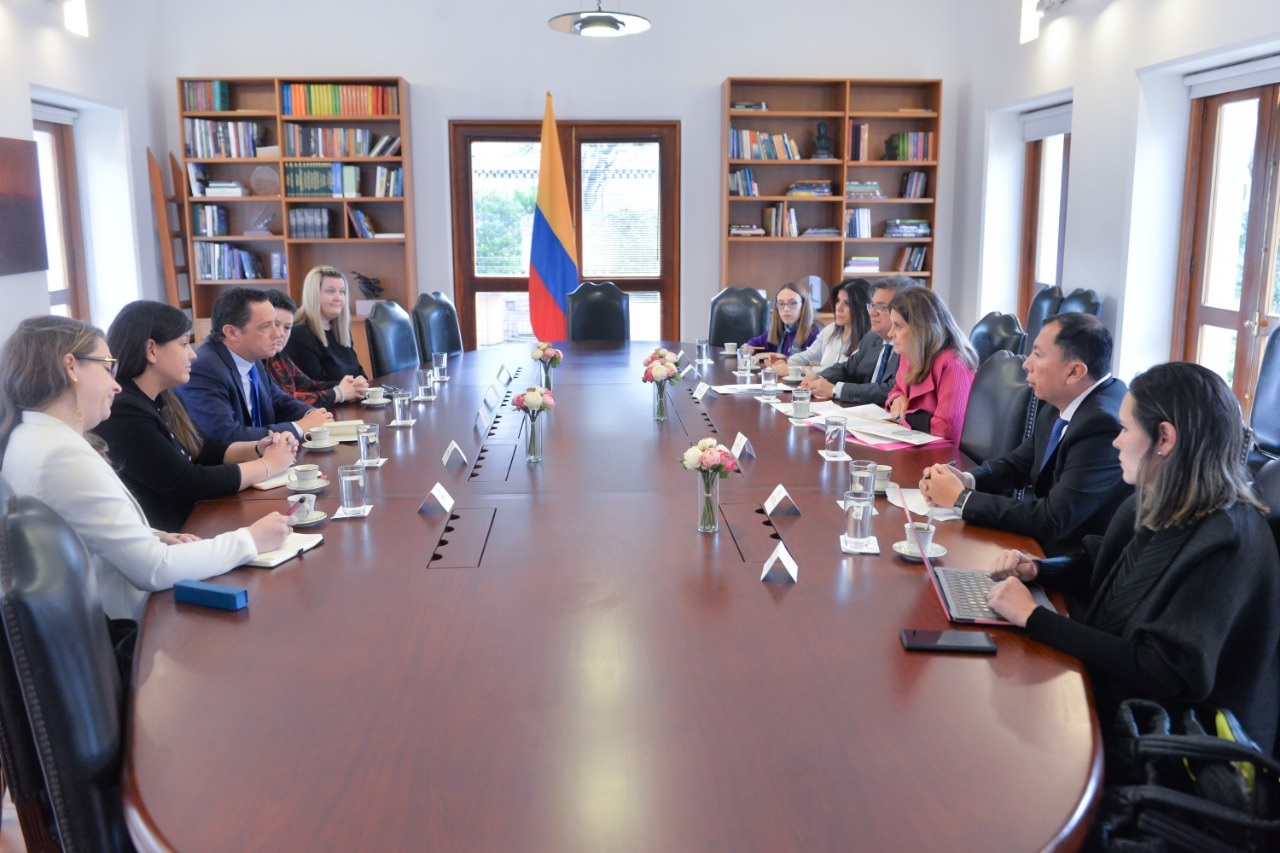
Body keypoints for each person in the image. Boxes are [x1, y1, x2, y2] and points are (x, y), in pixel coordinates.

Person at [987, 362, 1280, 752]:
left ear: (1165, 438)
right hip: (1119, 703)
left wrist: (1033, 617)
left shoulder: (1226, 540)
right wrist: (1038, 568)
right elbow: (1100, 565)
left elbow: (1163, 671)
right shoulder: (1162, 497)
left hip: (1172, 749)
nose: (1116, 441)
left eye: (1126, 429)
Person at [0, 315, 291, 622]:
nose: (115, 384)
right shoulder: (61, 455)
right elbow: (154, 569)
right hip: (125, 622)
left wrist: (150, 535)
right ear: (71, 366)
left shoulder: (30, 435)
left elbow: (84, 525)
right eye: (106, 367)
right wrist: (250, 540)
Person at [919, 313, 1131, 556]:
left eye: (1038, 355)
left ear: (1074, 372)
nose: (1026, 363)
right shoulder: (1065, 397)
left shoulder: (1102, 426)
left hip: (1072, 564)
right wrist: (966, 480)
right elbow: (1018, 464)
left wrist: (961, 499)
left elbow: (1052, 519)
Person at [94, 301, 298, 532]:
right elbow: (189, 483)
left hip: (197, 520)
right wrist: (268, 465)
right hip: (173, 535)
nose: (192, 355)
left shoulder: (165, 397)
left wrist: (259, 448)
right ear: (151, 350)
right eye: (184, 344)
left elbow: (203, 449)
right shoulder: (123, 412)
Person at [177, 286, 333, 442]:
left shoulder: (252, 358)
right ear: (231, 333)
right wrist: (299, 427)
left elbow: (280, 401)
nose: (278, 334)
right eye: (266, 326)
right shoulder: (204, 369)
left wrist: (311, 415)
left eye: (276, 324)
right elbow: (226, 436)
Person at [884, 287, 978, 441]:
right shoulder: (910, 353)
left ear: (921, 329)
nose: (890, 333)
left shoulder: (954, 363)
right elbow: (897, 389)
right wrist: (897, 399)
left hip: (943, 456)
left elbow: (947, 428)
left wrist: (904, 417)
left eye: (898, 326)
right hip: (914, 440)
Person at [801, 276, 913, 404]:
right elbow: (847, 369)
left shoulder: (909, 347)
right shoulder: (871, 339)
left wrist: (835, 390)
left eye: (881, 306)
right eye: (872, 305)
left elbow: (889, 390)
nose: (871, 312)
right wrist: (820, 377)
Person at [264, 289, 368, 407]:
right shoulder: (258, 361)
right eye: (275, 325)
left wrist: (351, 386)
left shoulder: (279, 355)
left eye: (287, 328)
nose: (280, 333)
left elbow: (308, 385)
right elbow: (284, 402)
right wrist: (338, 393)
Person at [284, 266, 368, 383]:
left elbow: (360, 374)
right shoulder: (298, 335)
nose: (338, 298)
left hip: (352, 399)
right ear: (313, 295)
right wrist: (352, 388)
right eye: (330, 291)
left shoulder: (341, 332)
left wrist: (361, 385)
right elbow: (314, 386)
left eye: (342, 292)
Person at [765, 278, 868, 371]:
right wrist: (785, 362)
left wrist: (795, 369)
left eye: (847, 303)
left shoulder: (870, 340)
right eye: (837, 301)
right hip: (819, 390)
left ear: (862, 307)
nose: (839, 308)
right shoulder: (830, 330)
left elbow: (840, 373)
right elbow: (807, 356)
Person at [741, 281, 820, 358]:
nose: (786, 309)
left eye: (792, 303)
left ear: (804, 305)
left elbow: (813, 365)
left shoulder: (815, 334)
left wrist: (782, 358)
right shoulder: (782, 329)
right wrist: (750, 349)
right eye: (781, 304)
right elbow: (754, 343)